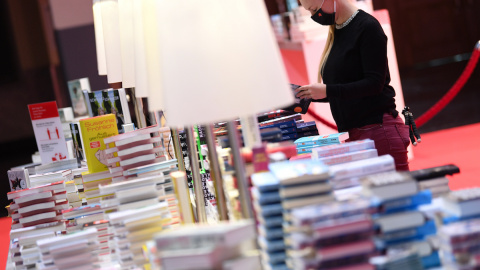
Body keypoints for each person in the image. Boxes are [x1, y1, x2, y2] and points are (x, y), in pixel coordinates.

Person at [295, 0, 411, 171]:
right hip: (357, 133)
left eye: (314, 9)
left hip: (378, 130)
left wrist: (327, 90)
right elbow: (345, 87)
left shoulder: (367, 27)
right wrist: (307, 94)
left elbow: (373, 84)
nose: (314, 16)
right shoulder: (338, 29)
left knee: (395, 193)